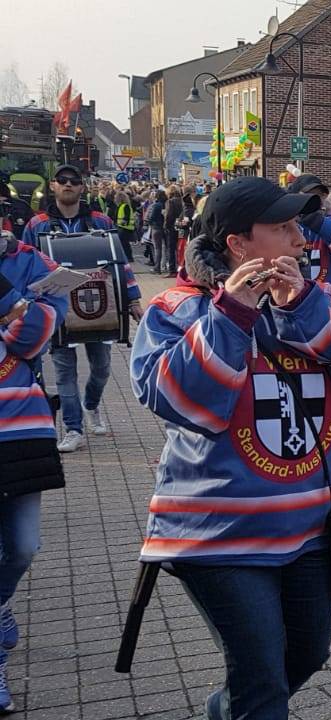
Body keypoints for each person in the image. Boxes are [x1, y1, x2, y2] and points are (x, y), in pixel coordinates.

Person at [130, 176, 331, 720]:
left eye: (300, 226)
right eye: (284, 228)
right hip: (217, 535)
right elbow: (178, 401)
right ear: (239, 244)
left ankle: (228, 709)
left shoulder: (324, 299)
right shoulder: (178, 307)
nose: (302, 239)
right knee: (263, 679)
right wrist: (233, 314)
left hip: (309, 530)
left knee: (308, 657)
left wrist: (306, 313)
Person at [22, 165, 144, 453]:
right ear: (53, 186)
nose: (68, 185)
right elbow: (25, 265)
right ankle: (74, 428)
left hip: (100, 309)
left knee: (102, 368)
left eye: (74, 181)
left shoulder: (99, 221)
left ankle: (91, 405)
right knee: (65, 373)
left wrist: (134, 300)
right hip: (59, 311)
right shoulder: (36, 224)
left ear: (82, 187)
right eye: (62, 181)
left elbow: (120, 263)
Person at [0, 227, 68, 713]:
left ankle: (1, 603)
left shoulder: (28, 259)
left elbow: (37, 333)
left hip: (21, 426)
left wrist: (9, 300)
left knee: (22, 546)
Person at [287, 175, 331, 289]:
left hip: (327, 301)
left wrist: (316, 221)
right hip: (291, 297)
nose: (316, 199)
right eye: (309, 194)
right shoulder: (285, 226)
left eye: (320, 195)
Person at [113, 190, 138, 259]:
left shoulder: (125, 206)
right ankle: (127, 257)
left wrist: (121, 224)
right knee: (124, 244)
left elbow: (126, 217)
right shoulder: (121, 206)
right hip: (123, 227)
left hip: (124, 228)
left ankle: (129, 257)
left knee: (125, 244)